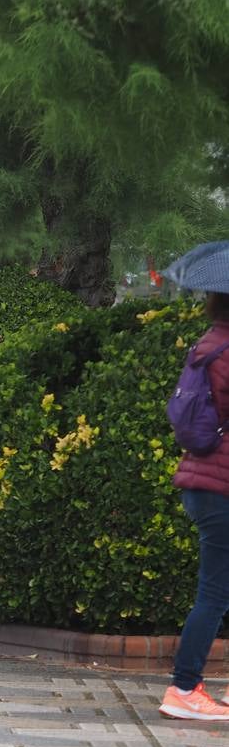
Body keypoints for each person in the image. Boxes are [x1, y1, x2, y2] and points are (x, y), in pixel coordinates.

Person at [160, 290, 229, 720]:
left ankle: (186, 686)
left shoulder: (210, 342)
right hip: (222, 486)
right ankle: (184, 688)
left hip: (202, 480)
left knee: (217, 590)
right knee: (214, 593)